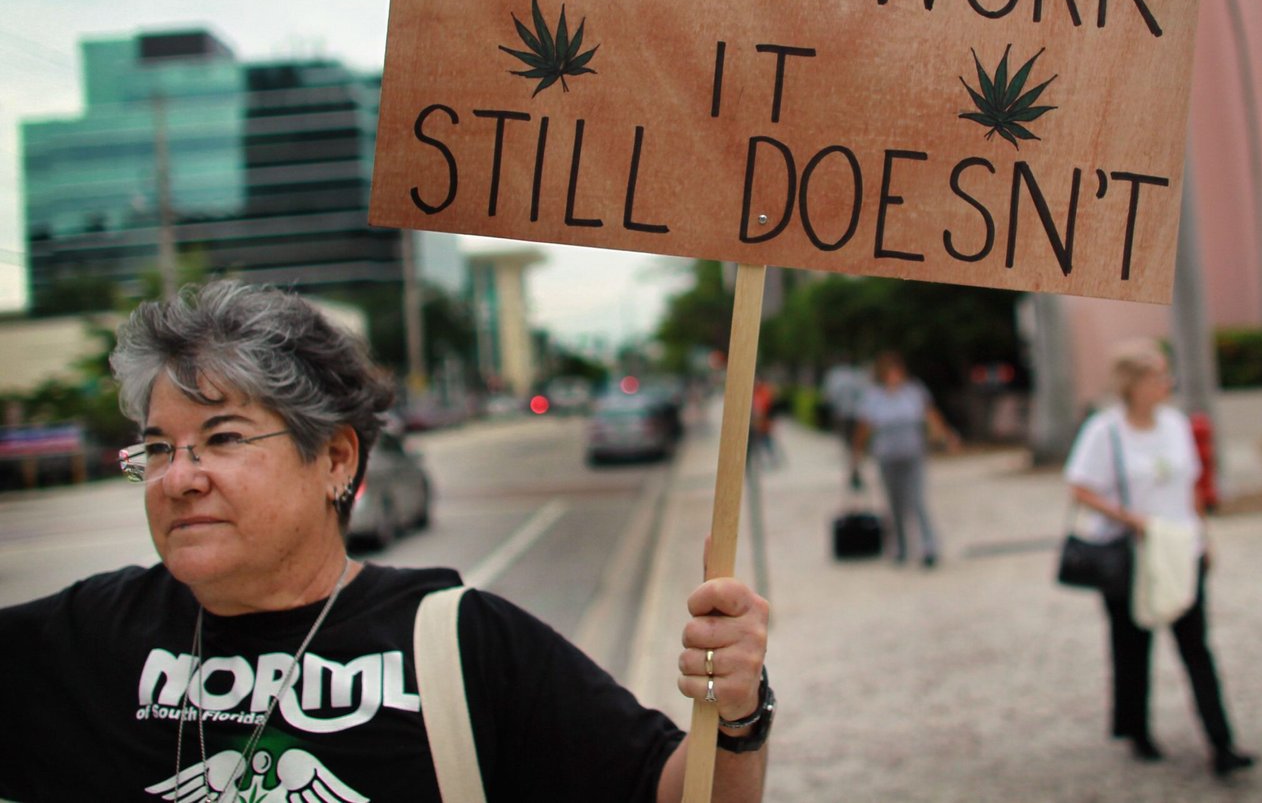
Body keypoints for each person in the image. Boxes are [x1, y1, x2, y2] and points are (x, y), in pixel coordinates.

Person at [0, 281, 773, 802]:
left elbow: (676, 790)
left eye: (221, 437)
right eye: (159, 447)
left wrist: (735, 709)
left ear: (335, 458)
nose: (180, 476)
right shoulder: (88, 636)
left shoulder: (459, 640)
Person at [1065, 340, 1254, 778]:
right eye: (1157, 376)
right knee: (1132, 646)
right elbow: (1079, 487)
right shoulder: (1105, 430)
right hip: (1131, 554)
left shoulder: (1174, 425)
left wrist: (1203, 537)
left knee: (1196, 646)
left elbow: (1191, 487)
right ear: (1133, 383)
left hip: (1178, 549)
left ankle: (1221, 742)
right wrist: (1130, 519)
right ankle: (1135, 729)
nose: (1166, 384)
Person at [849, 351, 959, 568]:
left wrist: (946, 436)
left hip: (912, 455)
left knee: (917, 501)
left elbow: (930, 415)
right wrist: (857, 455)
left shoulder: (913, 392)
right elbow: (864, 428)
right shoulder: (874, 397)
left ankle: (929, 546)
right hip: (887, 457)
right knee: (895, 504)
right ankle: (899, 547)